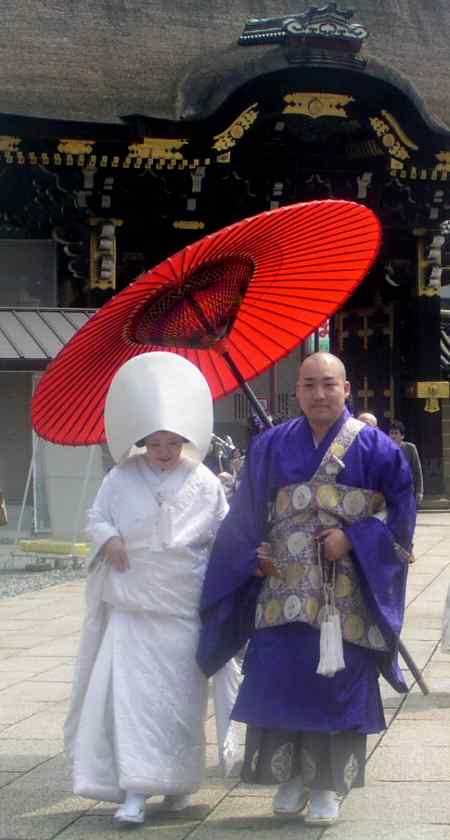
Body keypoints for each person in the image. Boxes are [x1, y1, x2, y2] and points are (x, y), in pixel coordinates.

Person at [197, 352, 415, 827]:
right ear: (297, 391)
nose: (319, 394)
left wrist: (353, 539)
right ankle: (290, 779)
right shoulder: (270, 446)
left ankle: (326, 787)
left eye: (329, 384)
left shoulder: (380, 450)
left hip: (345, 595)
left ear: (347, 388)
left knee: (335, 686)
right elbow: (247, 513)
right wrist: (250, 555)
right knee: (281, 679)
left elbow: (399, 519)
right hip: (283, 589)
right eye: (310, 385)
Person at [64, 352, 240, 825]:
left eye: (173, 442)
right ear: (143, 441)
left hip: (183, 606)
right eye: (156, 442)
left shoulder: (204, 482)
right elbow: (95, 517)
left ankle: (178, 784)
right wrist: (110, 538)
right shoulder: (119, 477)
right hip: (134, 606)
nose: (164, 451)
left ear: (186, 439)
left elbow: (224, 535)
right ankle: (136, 789)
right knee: (134, 701)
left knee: (181, 704)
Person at [389, 420, 424, 507]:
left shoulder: (410, 448)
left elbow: (417, 471)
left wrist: (419, 491)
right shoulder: (385, 449)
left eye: (396, 433)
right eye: (391, 433)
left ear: (402, 436)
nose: (393, 436)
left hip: (407, 491)